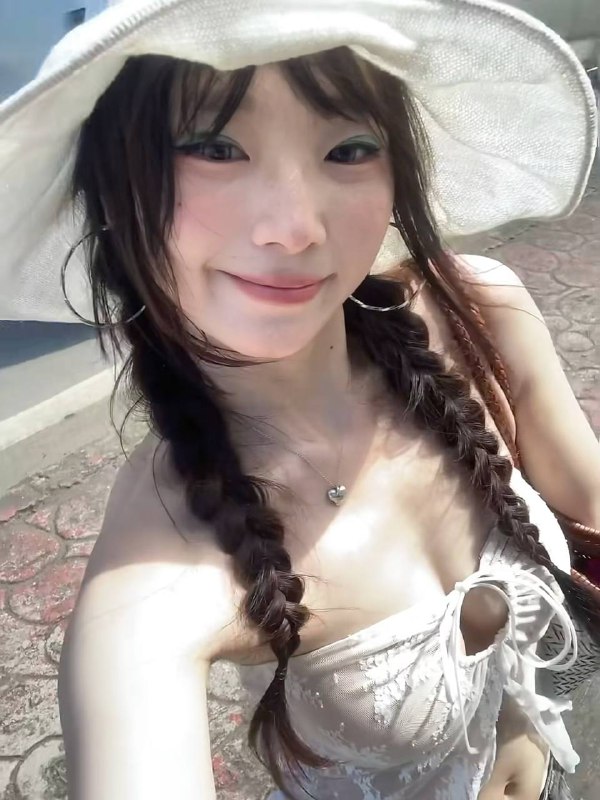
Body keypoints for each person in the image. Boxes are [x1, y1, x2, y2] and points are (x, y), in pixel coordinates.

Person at [1, 1, 599, 798]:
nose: (295, 227)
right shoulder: (157, 578)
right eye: (214, 146)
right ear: (112, 187)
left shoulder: (480, 314)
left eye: (348, 148)